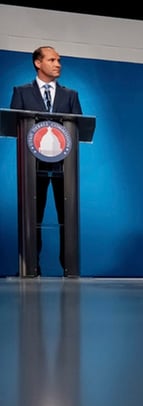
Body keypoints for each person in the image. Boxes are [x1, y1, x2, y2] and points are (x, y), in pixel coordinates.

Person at [9, 46, 83, 277]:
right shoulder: (21, 92)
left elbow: (79, 127)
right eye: (52, 60)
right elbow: (14, 125)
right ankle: (32, 267)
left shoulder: (70, 95)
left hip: (64, 167)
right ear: (38, 63)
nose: (58, 64)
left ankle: (69, 267)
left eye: (59, 60)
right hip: (32, 166)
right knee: (33, 216)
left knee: (67, 217)